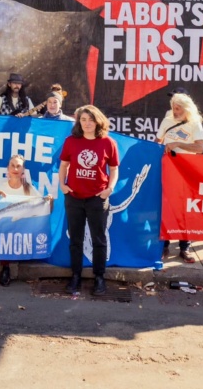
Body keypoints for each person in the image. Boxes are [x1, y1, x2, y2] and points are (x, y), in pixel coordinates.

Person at [58, 105, 119, 296]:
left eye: (90, 119)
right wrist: (63, 185)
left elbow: (114, 169)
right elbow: (64, 165)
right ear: (79, 122)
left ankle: (99, 277)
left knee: (98, 240)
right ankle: (75, 275)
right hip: (74, 197)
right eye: (83, 119)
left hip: (97, 199)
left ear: (98, 121)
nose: (87, 123)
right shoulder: (71, 141)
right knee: (75, 239)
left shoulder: (108, 143)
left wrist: (109, 189)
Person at [157, 90, 203, 263]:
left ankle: (185, 247)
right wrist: (160, 148)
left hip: (186, 171)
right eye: (174, 108)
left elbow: (199, 148)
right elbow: (158, 141)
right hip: (168, 170)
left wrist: (179, 143)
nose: (176, 112)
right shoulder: (167, 120)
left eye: (179, 109)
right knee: (166, 208)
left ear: (187, 109)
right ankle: (163, 246)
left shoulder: (194, 124)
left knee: (185, 210)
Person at [0, 154, 44, 286]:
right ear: (8, 168)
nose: (15, 169)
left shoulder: (29, 188)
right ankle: (5, 268)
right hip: (7, 228)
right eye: (13, 165)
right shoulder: (1, 188)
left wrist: (49, 200)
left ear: (23, 170)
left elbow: (41, 205)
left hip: (23, 228)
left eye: (18, 166)